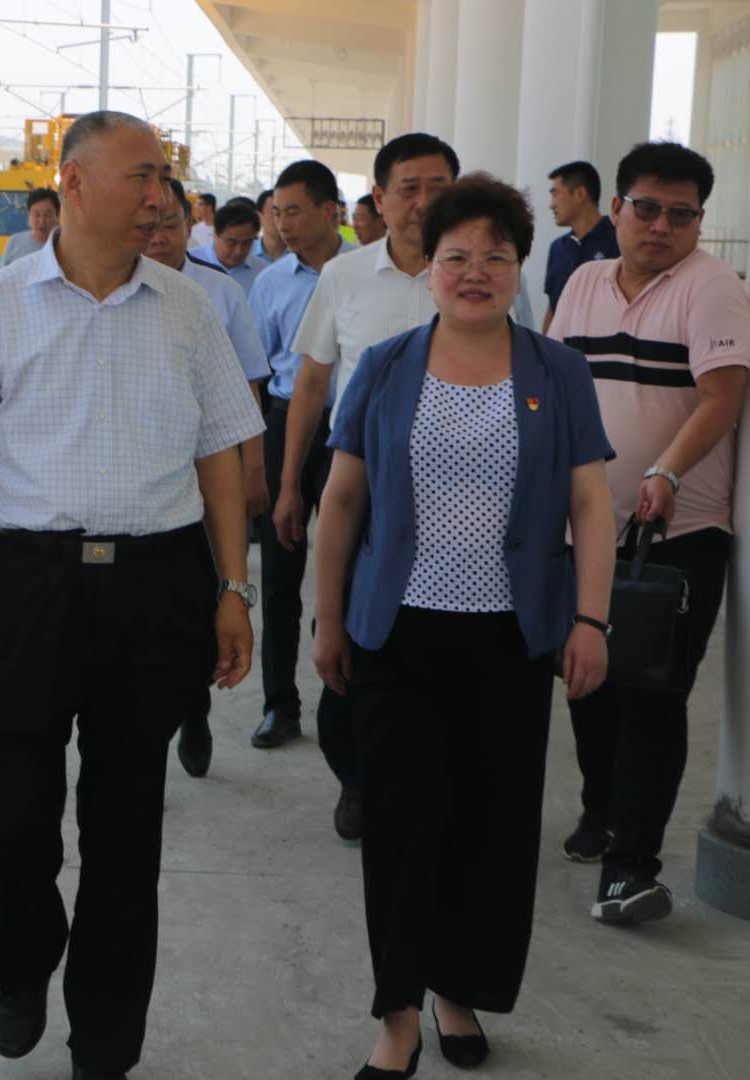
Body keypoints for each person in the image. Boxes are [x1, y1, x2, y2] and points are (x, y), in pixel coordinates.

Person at [0, 110, 263, 1080]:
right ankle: (26, 951)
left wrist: (233, 587)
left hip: (156, 586)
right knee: (7, 818)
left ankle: (105, 1039)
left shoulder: (187, 309)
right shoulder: (0, 304)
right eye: (141, 174)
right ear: (77, 182)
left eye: (163, 177)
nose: (158, 194)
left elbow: (221, 458)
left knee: (126, 828)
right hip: (30, 586)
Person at [312, 174, 616, 1079]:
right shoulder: (386, 365)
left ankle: (458, 987)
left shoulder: (557, 370)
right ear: (429, 267)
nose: (476, 272)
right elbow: (341, 502)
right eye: (457, 257)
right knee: (403, 828)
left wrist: (591, 619)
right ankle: (398, 1014)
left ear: (520, 267)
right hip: (397, 634)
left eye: (496, 256)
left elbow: (590, 506)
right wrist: (328, 620)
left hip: (510, 639)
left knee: (490, 829)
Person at [548, 141, 750, 924]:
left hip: (678, 535)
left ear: (700, 221)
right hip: (584, 530)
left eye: (681, 214)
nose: (661, 226)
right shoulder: (583, 283)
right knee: (587, 679)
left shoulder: (712, 289)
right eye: (647, 208)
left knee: (652, 694)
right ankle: (600, 810)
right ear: (616, 210)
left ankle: (630, 869)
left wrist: (664, 471)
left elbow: (721, 399)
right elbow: (553, 385)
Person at [270, 133, 459, 840]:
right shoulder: (344, 277)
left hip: (457, 492)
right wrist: (291, 483)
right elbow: (312, 384)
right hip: (360, 485)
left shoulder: (483, 276)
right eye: (408, 188)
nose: (422, 202)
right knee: (346, 631)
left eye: (438, 187)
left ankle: (429, 776)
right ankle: (355, 776)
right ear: (379, 198)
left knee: (436, 638)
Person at [149, 176, 272, 778]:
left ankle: (193, 711)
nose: (160, 237)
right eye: (150, 225)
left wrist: (253, 468)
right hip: (144, 479)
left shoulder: (217, 292)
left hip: (208, 475)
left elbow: (248, 383)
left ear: (189, 227)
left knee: (200, 597)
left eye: (172, 224)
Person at [243, 159, 352, 763]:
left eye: (294, 211)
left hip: (350, 432)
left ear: (330, 211)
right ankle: (278, 704)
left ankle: (346, 695)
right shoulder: (269, 283)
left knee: (348, 567)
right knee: (281, 571)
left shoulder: (362, 273)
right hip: (286, 424)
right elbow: (259, 370)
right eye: (276, 212)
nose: (282, 223)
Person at [541, 160, 620, 335]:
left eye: (555, 194)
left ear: (579, 194)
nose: (551, 205)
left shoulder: (618, 240)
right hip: (562, 349)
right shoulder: (557, 248)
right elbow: (553, 309)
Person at [190, 199, 264, 296]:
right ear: (215, 234)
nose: (239, 251)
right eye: (232, 242)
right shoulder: (190, 261)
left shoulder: (261, 272)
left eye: (247, 243)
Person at [4, 187, 60, 265]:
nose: (42, 221)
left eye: (47, 215)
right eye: (36, 215)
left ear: (57, 216)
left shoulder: (63, 245)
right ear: (29, 215)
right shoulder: (14, 242)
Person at [255, 187, 287, 264]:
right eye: (275, 213)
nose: (283, 219)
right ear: (259, 216)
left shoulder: (303, 255)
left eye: (288, 213)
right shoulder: (245, 253)